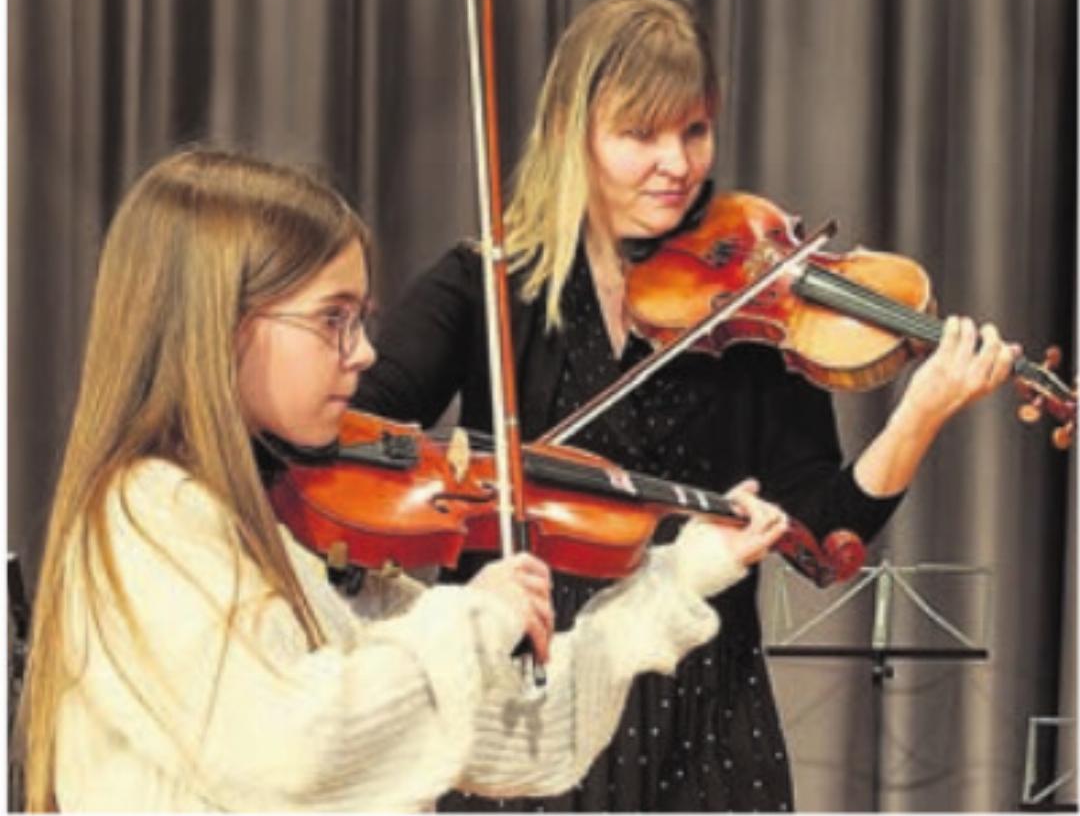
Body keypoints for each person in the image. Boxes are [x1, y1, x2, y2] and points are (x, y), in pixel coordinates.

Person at [352, 0, 1021, 812]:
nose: (677, 163)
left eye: (694, 130)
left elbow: (823, 538)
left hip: (706, 720)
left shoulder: (749, 301)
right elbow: (362, 420)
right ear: (571, 131)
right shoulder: (485, 283)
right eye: (641, 133)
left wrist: (919, 415)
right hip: (529, 703)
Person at [17, 148, 791, 812]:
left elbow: (531, 735)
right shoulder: (148, 514)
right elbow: (292, 750)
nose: (362, 353)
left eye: (361, 320)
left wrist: (681, 573)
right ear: (218, 325)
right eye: (332, 319)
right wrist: (477, 616)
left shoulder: (286, 530)